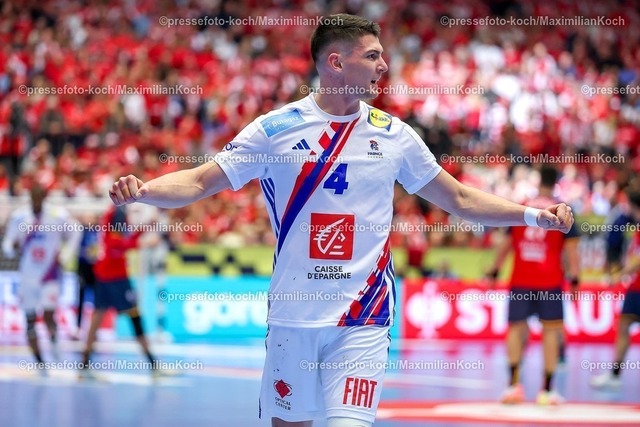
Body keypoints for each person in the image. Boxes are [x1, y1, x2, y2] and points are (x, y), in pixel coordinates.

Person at [108, 14, 574, 427]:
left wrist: (534, 215)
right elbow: (199, 181)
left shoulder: (395, 136)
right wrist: (144, 191)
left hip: (363, 315)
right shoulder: (275, 130)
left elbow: (459, 198)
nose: (383, 66)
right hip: (293, 315)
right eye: (372, 56)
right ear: (335, 63)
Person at [487, 165, 580, 405]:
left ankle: (512, 387)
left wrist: (495, 270)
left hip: (521, 279)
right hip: (550, 281)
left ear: (539, 181)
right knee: (551, 332)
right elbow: (572, 251)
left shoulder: (524, 206)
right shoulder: (563, 210)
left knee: (516, 330)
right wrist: (575, 279)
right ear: (556, 182)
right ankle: (547, 391)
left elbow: (507, 242)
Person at [1, 184, 81, 368]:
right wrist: (11, 249)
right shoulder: (20, 217)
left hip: (49, 274)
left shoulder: (57, 215)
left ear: (45, 196)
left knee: (48, 314)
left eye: (39, 196)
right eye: (33, 196)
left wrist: (66, 254)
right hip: (27, 275)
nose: (36, 200)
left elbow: (76, 230)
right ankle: (39, 362)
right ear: (30, 197)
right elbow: (7, 243)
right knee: (29, 320)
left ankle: (54, 342)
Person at [79, 206, 157, 377]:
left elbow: (125, 240)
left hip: (104, 277)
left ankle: (84, 364)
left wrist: (146, 227)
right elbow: (121, 245)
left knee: (97, 318)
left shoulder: (112, 223)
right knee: (134, 316)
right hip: (116, 280)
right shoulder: (112, 229)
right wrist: (144, 242)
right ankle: (153, 365)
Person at [590, 187, 640, 389]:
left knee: (624, 326)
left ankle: (614, 375)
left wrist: (619, 274)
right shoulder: (635, 226)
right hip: (636, 287)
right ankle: (614, 375)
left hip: (637, 286)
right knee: (624, 325)